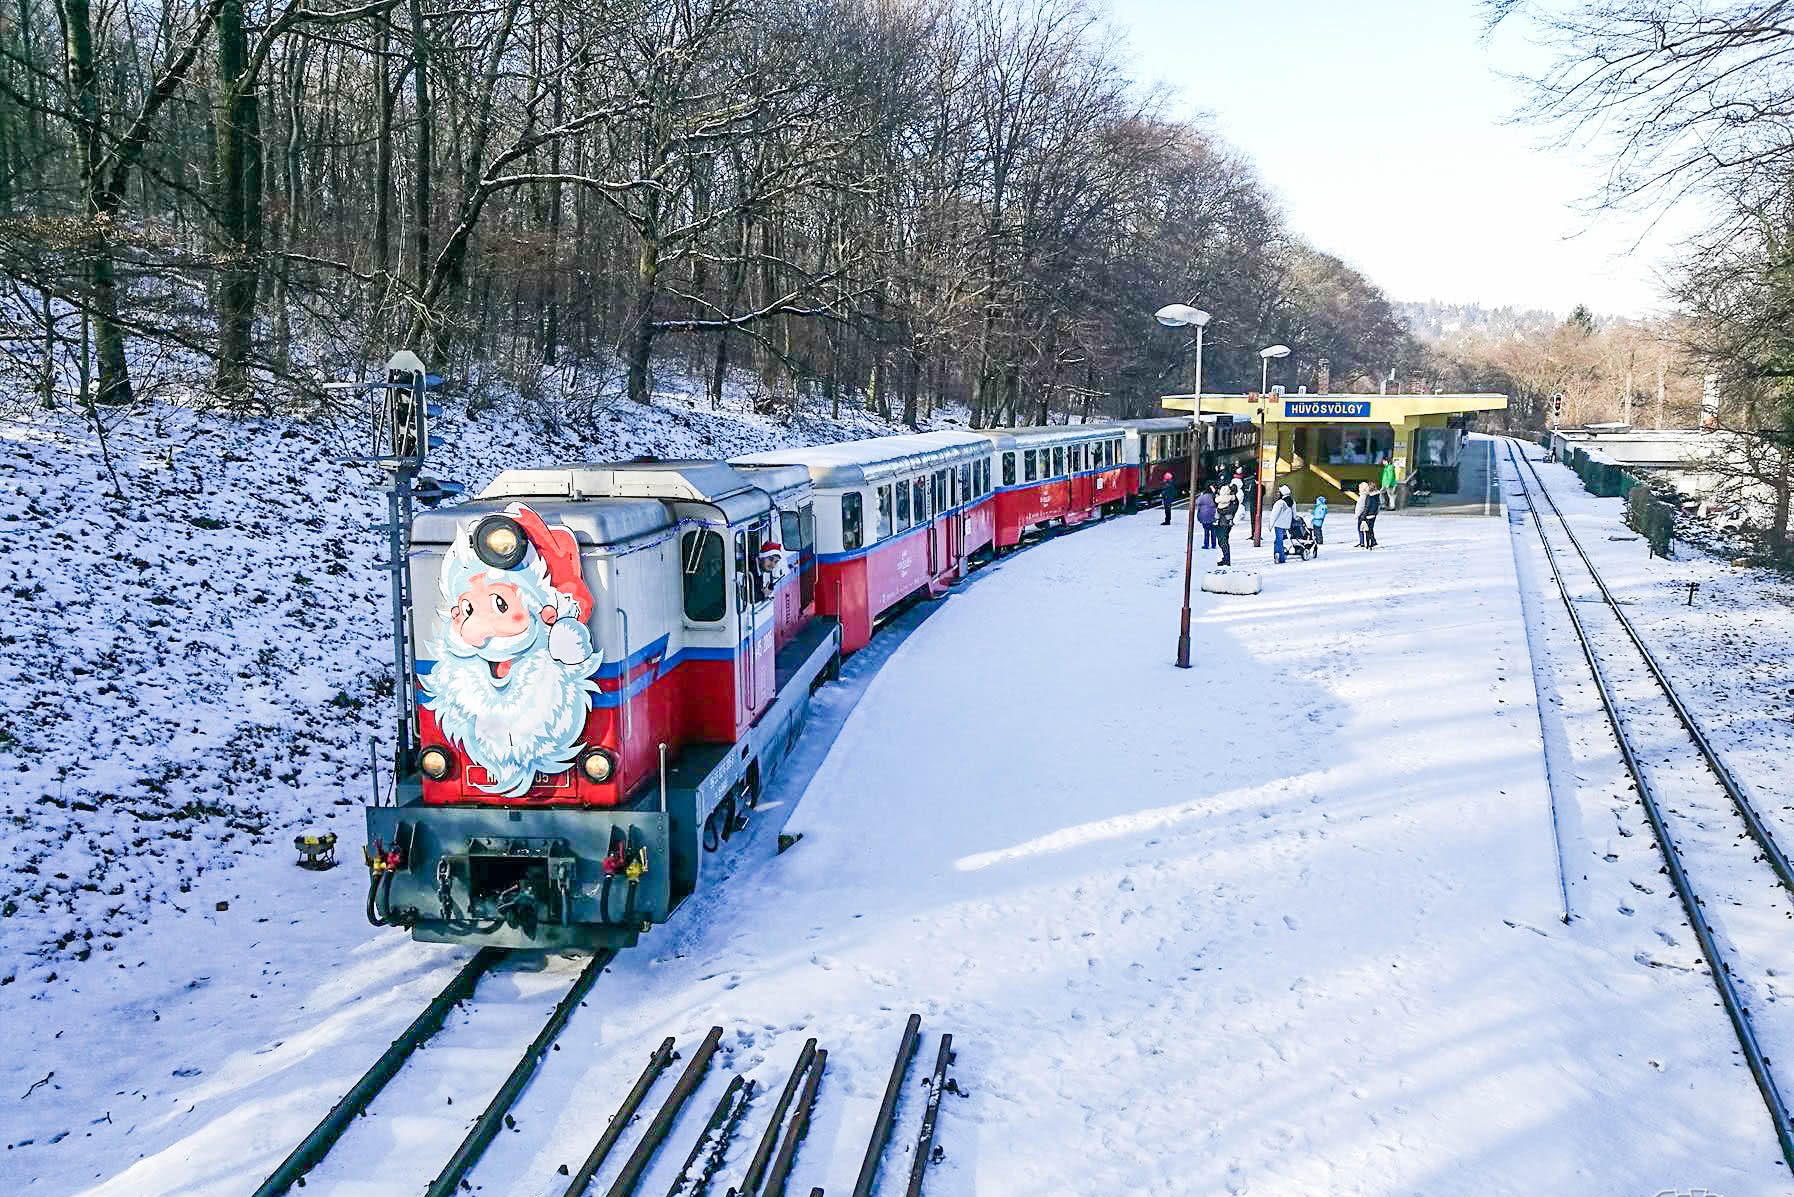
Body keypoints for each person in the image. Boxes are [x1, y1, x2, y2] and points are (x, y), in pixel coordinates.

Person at [1213, 479, 1238, 567]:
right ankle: (1225, 558)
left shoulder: (1233, 500)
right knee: (1222, 541)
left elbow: (1231, 509)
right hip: (1222, 522)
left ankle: (1227, 559)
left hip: (1225, 523)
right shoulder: (1226, 498)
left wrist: (1220, 510)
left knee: (1223, 541)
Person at [1269, 484, 1294, 564]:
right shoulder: (1292, 502)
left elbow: (1274, 515)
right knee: (1279, 540)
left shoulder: (1280, 503)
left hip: (1279, 524)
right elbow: (1295, 514)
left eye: (1279, 492)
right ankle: (1278, 555)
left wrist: (1271, 525)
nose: (1277, 493)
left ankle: (1280, 557)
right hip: (1287, 525)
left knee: (1278, 541)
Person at [1356, 480, 1381, 549]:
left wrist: (1363, 516)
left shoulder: (1369, 497)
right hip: (1373, 514)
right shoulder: (1376, 496)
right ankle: (1373, 542)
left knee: (1367, 530)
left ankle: (1369, 544)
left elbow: (1367, 506)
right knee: (1370, 529)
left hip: (1369, 515)